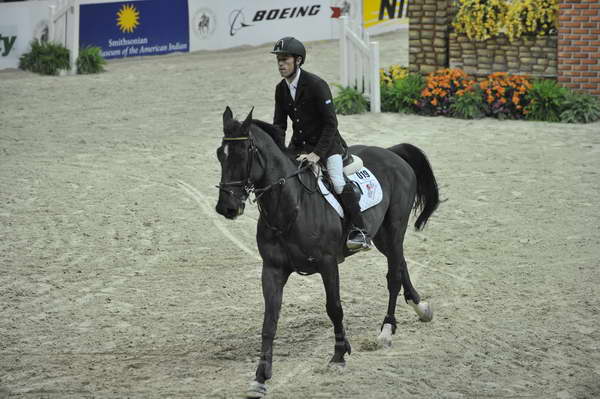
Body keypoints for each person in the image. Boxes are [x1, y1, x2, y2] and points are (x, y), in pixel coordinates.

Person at [271, 36, 371, 251]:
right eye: (278, 59)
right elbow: (279, 125)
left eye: (285, 59)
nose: (280, 64)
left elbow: (331, 123)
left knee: (336, 181)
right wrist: (278, 151)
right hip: (299, 145)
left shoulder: (316, 84)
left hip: (328, 145)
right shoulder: (281, 89)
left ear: (298, 61)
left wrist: (317, 154)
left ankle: (360, 231)